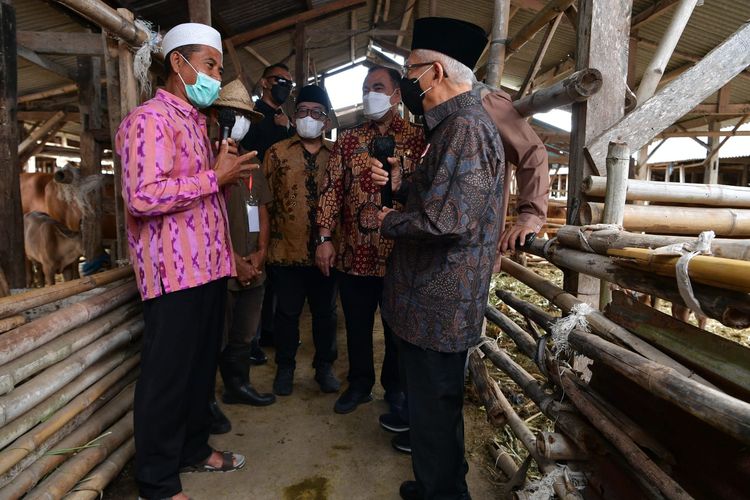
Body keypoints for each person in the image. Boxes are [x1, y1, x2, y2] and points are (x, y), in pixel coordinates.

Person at [116, 23, 256, 500]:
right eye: (211, 65)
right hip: (173, 276)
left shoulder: (196, 124)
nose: (216, 77)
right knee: (166, 379)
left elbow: (202, 197)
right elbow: (142, 197)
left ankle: (193, 449)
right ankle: (156, 480)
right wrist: (213, 178)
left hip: (209, 270)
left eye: (218, 67)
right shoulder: (148, 120)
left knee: (199, 370)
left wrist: (222, 185)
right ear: (179, 63)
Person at [371, 17, 503, 500]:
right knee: (434, 410)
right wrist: (404, 184)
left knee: (436, 407)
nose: (408, 81)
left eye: (411, 70)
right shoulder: (450, 129)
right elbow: (446, 198)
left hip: (439, 303)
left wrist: (388, 220)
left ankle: (444, 493)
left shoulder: (466, 128)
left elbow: (448, 220)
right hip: (429, 301)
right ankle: (438, 487)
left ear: (436, 73)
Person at [316, 66, 426, 416]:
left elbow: (428, 193)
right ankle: (359, 384)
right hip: (354, 252)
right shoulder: (348, 139)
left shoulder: (418, 138)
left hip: (401, 254)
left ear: (396, 95)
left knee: (397, 329)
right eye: (365, 88)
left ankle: (395, 388)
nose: (369, 94)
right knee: (357, 325)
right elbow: (331, 188)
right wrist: (324, 236)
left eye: (377, 87)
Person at [264, 84, 340, 396]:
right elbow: (263, 202)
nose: (309, 117)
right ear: (294, 117)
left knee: (325, 314)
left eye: (316, 113)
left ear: (327, 121)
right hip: (285, 250)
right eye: (303, 111)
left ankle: (324, 368)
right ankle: (285, 368)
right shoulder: (276, 153)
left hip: (327, 253)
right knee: (287, 314)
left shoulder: (337, 155)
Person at [211, 79, 277, 416]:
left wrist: (261, 253)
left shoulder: (251, 160)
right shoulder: (207, 163)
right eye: (232, 115)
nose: (239, 122)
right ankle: (206, 401)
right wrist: (233, 259)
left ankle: (238, 386)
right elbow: (204, 220)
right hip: (220, 268)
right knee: (213, 337)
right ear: (216, 117)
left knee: (244, 333)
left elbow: (262, 209)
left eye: (245, 117)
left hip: (253, 264)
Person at [241, 63, 296, 355]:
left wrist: (286, 129)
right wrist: (280, 132)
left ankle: (269, 330)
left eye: (289, 83)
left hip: (279, 203)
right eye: (280, 80)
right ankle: (251, 338)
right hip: (252, 198)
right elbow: (254, 155)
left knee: (275, 266)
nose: (285, 86)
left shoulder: (283, 119)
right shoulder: (252, 117)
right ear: (264, 82)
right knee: (255, 257)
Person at [475, 83, 549, 264]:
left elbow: (532, 152)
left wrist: (530, 217)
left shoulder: (480, 99)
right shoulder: (436, 107)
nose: (409, 76)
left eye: (411, 69)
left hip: (472, 249)